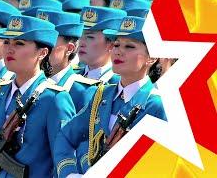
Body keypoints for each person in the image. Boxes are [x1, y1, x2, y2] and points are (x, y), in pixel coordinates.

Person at [0, 15, 76, 177]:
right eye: (6, 42)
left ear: (42, 53)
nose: (9, 49)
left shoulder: (54, 99)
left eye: (19, 43)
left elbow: (62, 154)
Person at [54, 16, 167, 177]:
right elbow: (65, 136)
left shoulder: (157, 105)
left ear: (152, 58)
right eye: (116, 45)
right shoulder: (102, 95)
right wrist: (69, 173)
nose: (119, 51)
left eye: (129, 46)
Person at [36, 9, 100, 113]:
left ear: (70, 48)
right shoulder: (23, 81)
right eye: (37, 42)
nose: (42, 49)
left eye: (50, 42)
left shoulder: (82, 91)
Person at [76, 6, 126, 85]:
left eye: (90, 37)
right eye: (80, 37)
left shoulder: (119, 83)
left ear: (111, 45)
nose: (81, 43)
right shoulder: (74, 76)